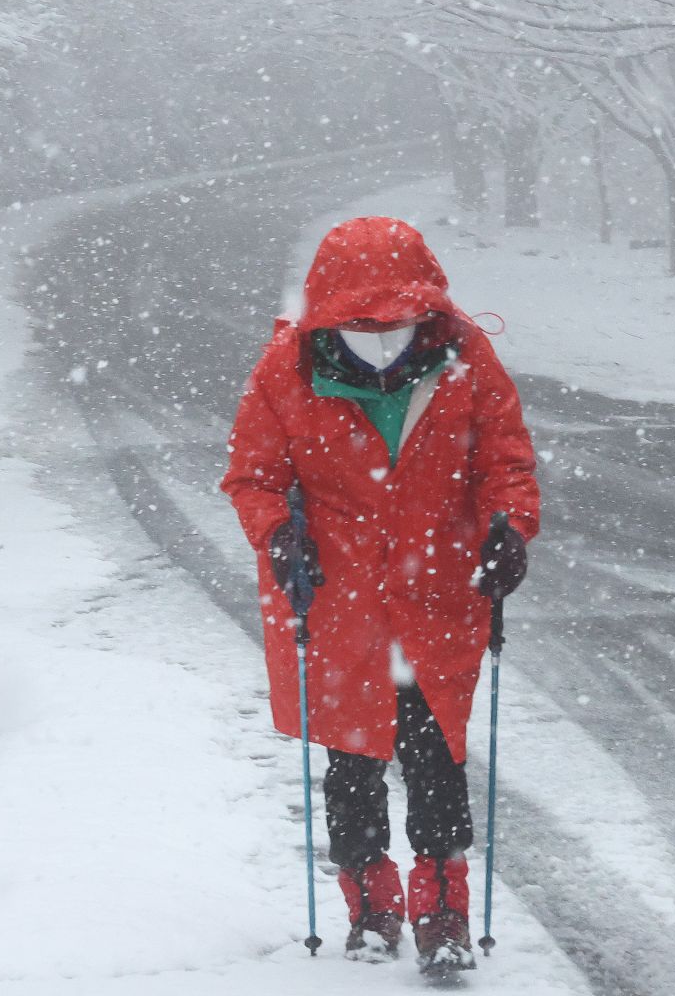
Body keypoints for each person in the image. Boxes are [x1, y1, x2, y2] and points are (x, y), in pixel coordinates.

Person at [221, 215, 538, 972]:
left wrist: (510, 527)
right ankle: (370, 907)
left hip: (440, 596)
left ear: (425, 308)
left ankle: (444, 912)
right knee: (353, 763)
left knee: (437, 763)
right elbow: (253, 477)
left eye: (398, 322)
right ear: (330, 318)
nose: (383, 338)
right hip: (337, 603)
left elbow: (506, 461)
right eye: (362, 325)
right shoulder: (284, 371)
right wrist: (278, 533)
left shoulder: (466, 358)